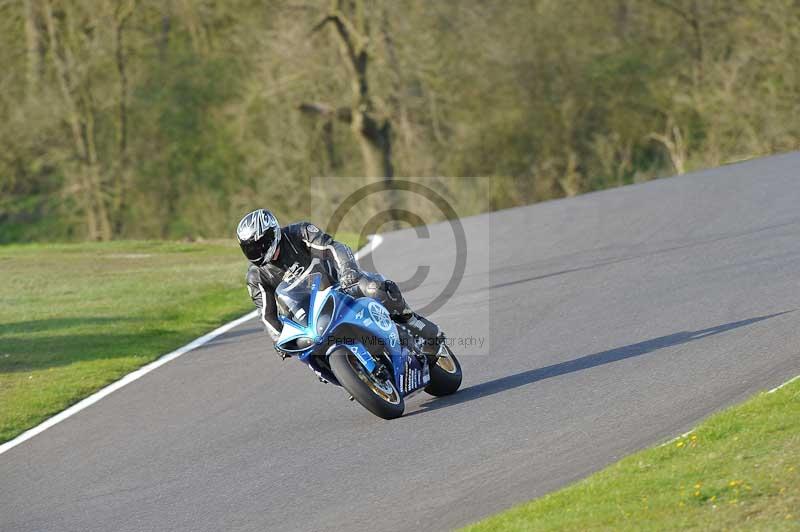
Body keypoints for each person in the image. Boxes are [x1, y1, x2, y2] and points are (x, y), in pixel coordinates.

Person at [236, 209, 441, 356]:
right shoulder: (256, 277)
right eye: (251, 248)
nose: (257, 252)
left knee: (375, 288)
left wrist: (348, 272)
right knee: (303, 351)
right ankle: (351, 376)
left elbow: (335, 248)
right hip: (309, 318)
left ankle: (412, 321)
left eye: (260, 245)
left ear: (272, 233)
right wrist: (278, 339)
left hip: (340, 287)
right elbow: (266, 314)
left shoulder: (300, 232)